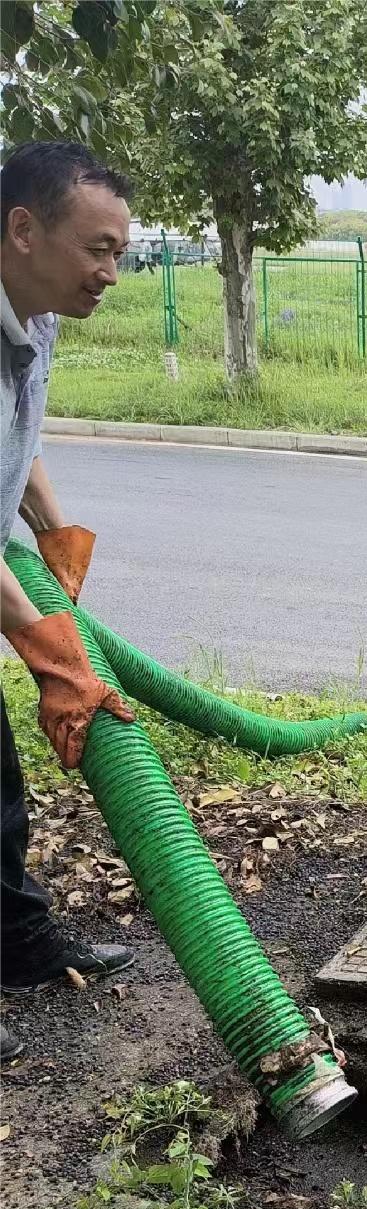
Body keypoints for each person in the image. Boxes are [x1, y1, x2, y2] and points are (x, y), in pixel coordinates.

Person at [1, 142, 140, 1059]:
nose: (111, 273)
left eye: (121, 253)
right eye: (97, 249)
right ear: (22, 229)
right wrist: (54, 660)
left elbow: (18, 438)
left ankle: (15, 946)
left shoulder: (37, 315)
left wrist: (55, 535)